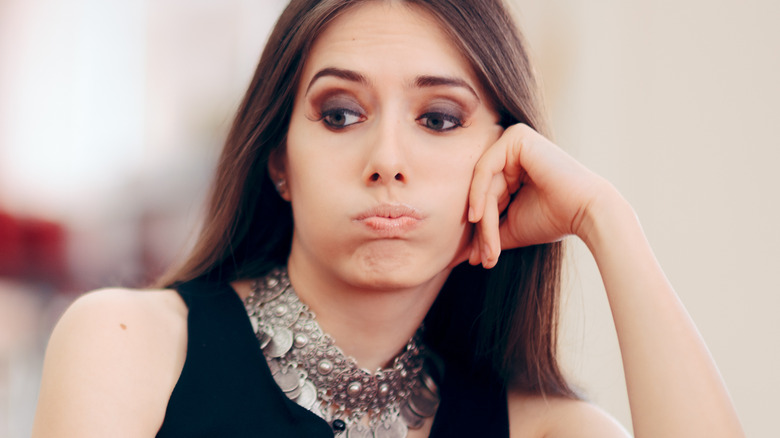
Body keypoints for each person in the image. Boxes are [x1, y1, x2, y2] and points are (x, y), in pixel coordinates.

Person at [32, 0, 744, 437]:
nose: (387, 160)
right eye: (340, 114)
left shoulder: (544, 428)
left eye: (438, 118)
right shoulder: (131, 347)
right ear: (280, 159)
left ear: (503, 164)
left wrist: (605, 217)